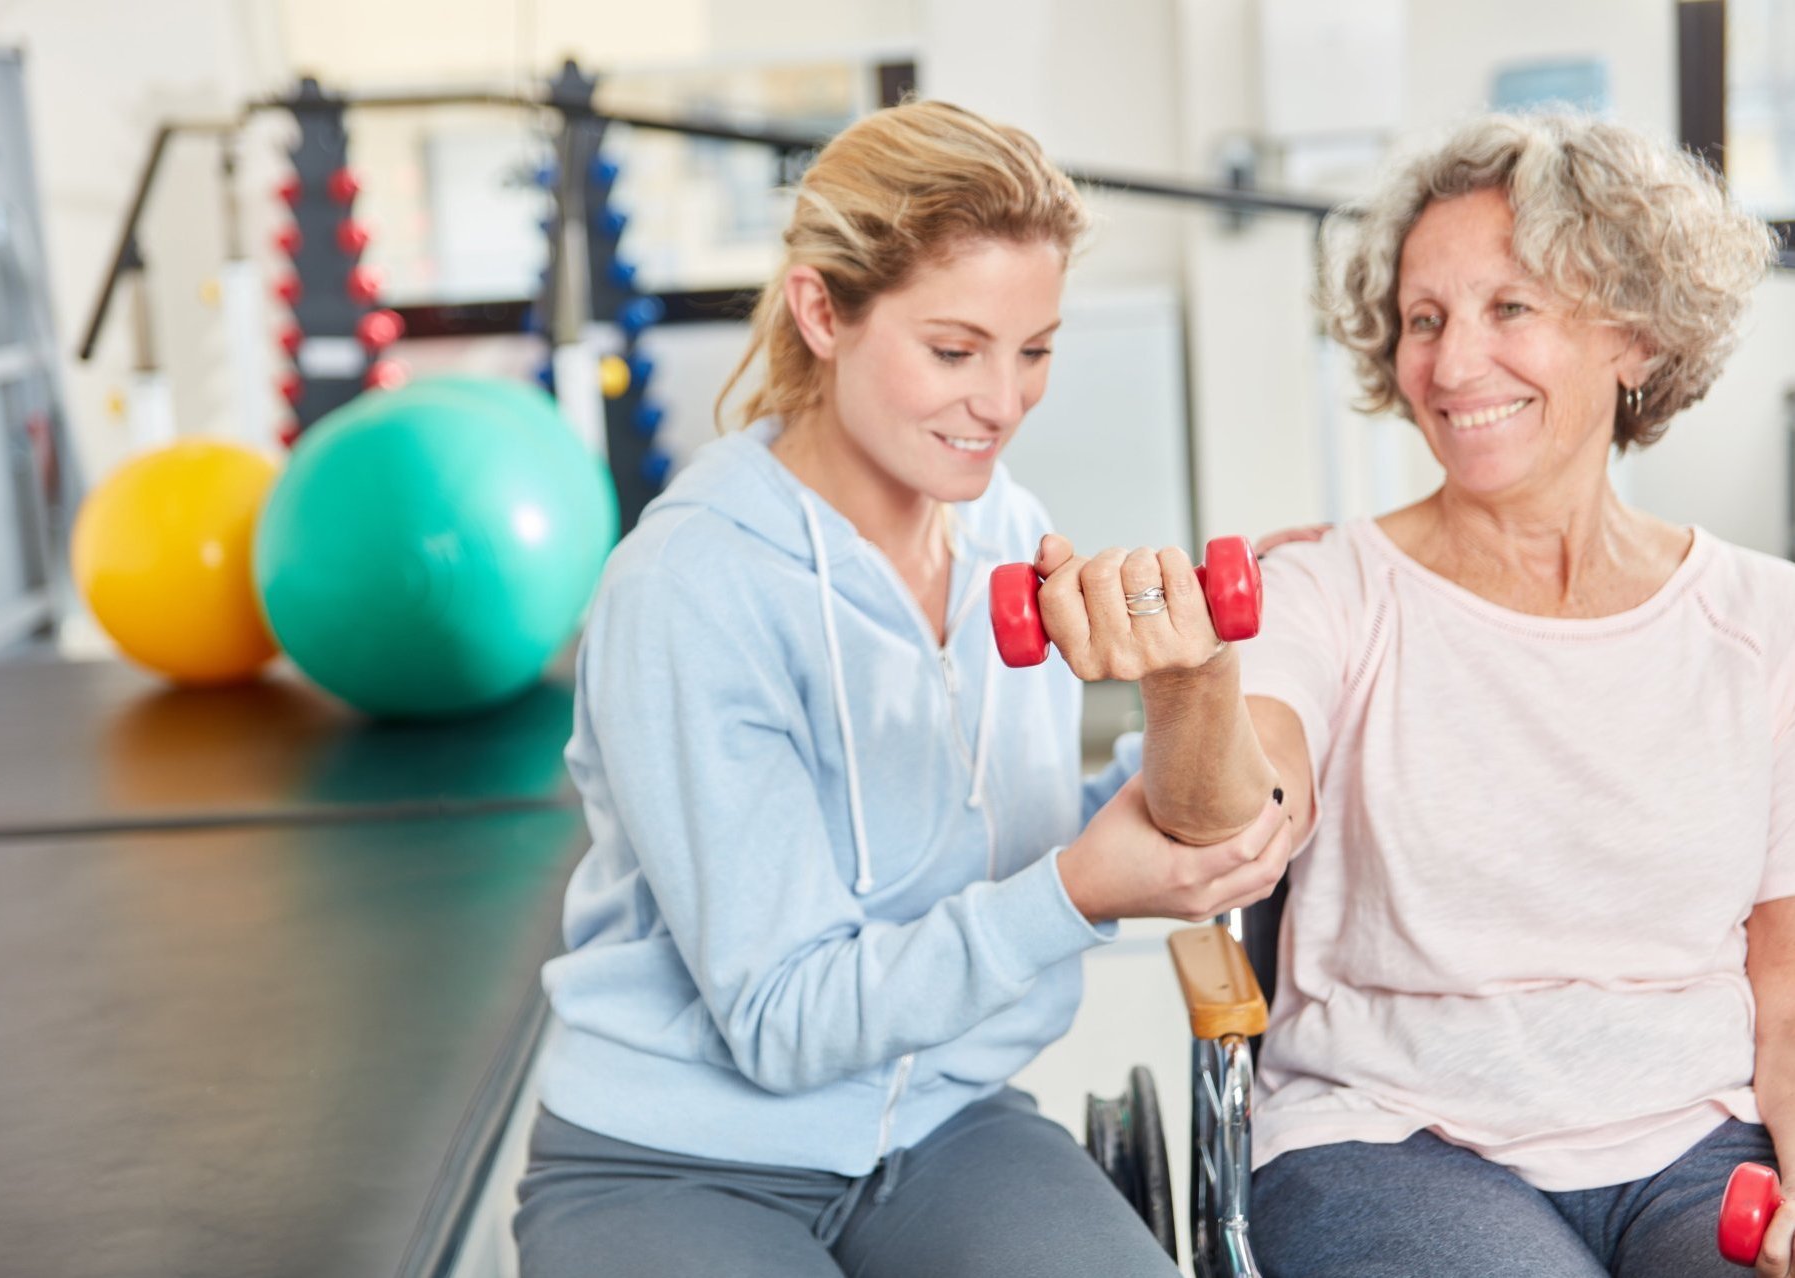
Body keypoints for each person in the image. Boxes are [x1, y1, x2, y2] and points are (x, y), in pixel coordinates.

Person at [509, 99, 1294, 1278]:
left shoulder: (1006, 534)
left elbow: (1039, 829)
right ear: (822, 310)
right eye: (954, 349)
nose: (1004, 401)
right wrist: (1080, 891)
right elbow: (783, 1022)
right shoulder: (690, 589)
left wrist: (1190, 686)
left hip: (944, 1129)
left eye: (1034, 351)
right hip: (677, 1155)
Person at [1031, 110, 1791, 1276]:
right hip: (1392, 1137)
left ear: (1635, 337)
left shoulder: (1763, 623)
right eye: (1423, 320)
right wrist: (1196, 685)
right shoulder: (1327, 590)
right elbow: (1232, 818)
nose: (1449, 362)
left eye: (1510, 309)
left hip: (1694, 1143)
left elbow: (1785, 970)